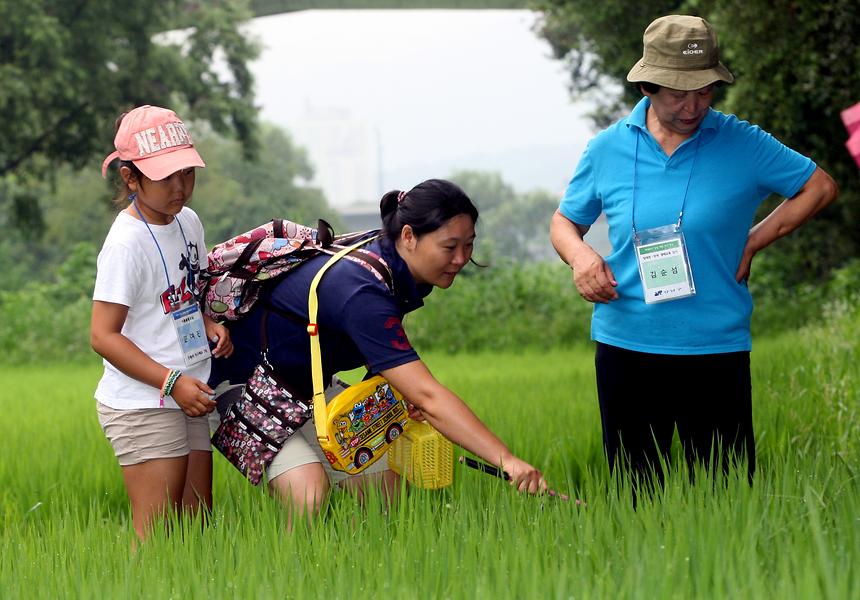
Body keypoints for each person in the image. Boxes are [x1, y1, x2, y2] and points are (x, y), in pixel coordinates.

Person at [549, 15, 838, 489]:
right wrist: (582, 258)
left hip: (715, 347)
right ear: (649, 85)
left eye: (704, 91)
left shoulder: (741, 141)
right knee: (636, 496)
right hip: (626, 345)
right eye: (678, 93)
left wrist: (753, 240)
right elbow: (565, 222)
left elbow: (819, 187)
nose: (693, 106)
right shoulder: (607, 149)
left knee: (725, 495)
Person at [210, 179, 548, 525]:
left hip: (308, 387)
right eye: (450, 247)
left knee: (385, 492)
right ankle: (284, 574)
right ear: (408, 236)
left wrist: (401, 396)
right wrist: (507, 460)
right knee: (307, 494)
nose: (461, 259)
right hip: (242, 383)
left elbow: (383, 362)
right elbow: (429, 395)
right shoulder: (362, 289)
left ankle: (355, 568)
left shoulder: (396, 265)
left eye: (469, 245)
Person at [91, 105, 234, 542]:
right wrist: (171, 382)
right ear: (130, 179)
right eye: (166, 177)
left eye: (187, 174)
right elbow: (102, 335)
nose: (180, 187)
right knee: (157, 538)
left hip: (188, 389)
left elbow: (186, 292)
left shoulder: (187, 222)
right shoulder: (126, 244)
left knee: (195, 527)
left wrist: (209, 321)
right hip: (144, 399)